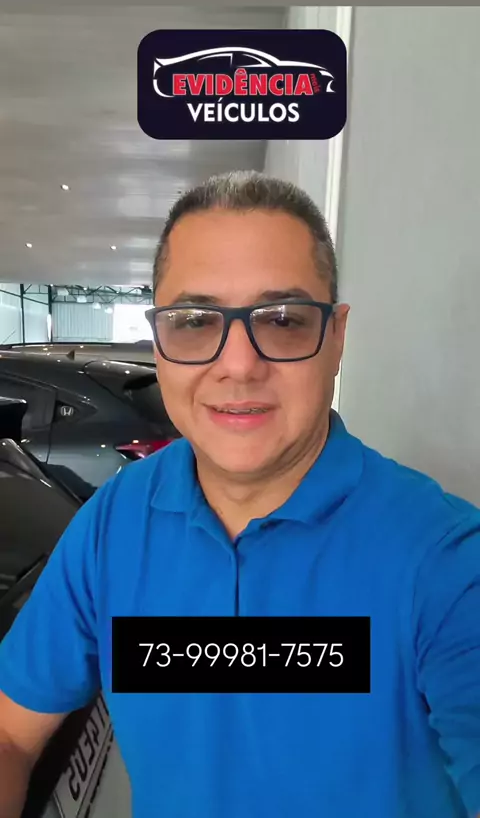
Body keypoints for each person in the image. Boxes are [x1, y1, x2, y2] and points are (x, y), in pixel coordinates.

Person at [0, 170, 479, 818]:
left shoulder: (446, 562)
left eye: (282, 320)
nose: (238, 364)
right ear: (158, 343)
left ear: (336, 339)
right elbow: (10, 734)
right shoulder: (114, 525)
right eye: (195, 321)